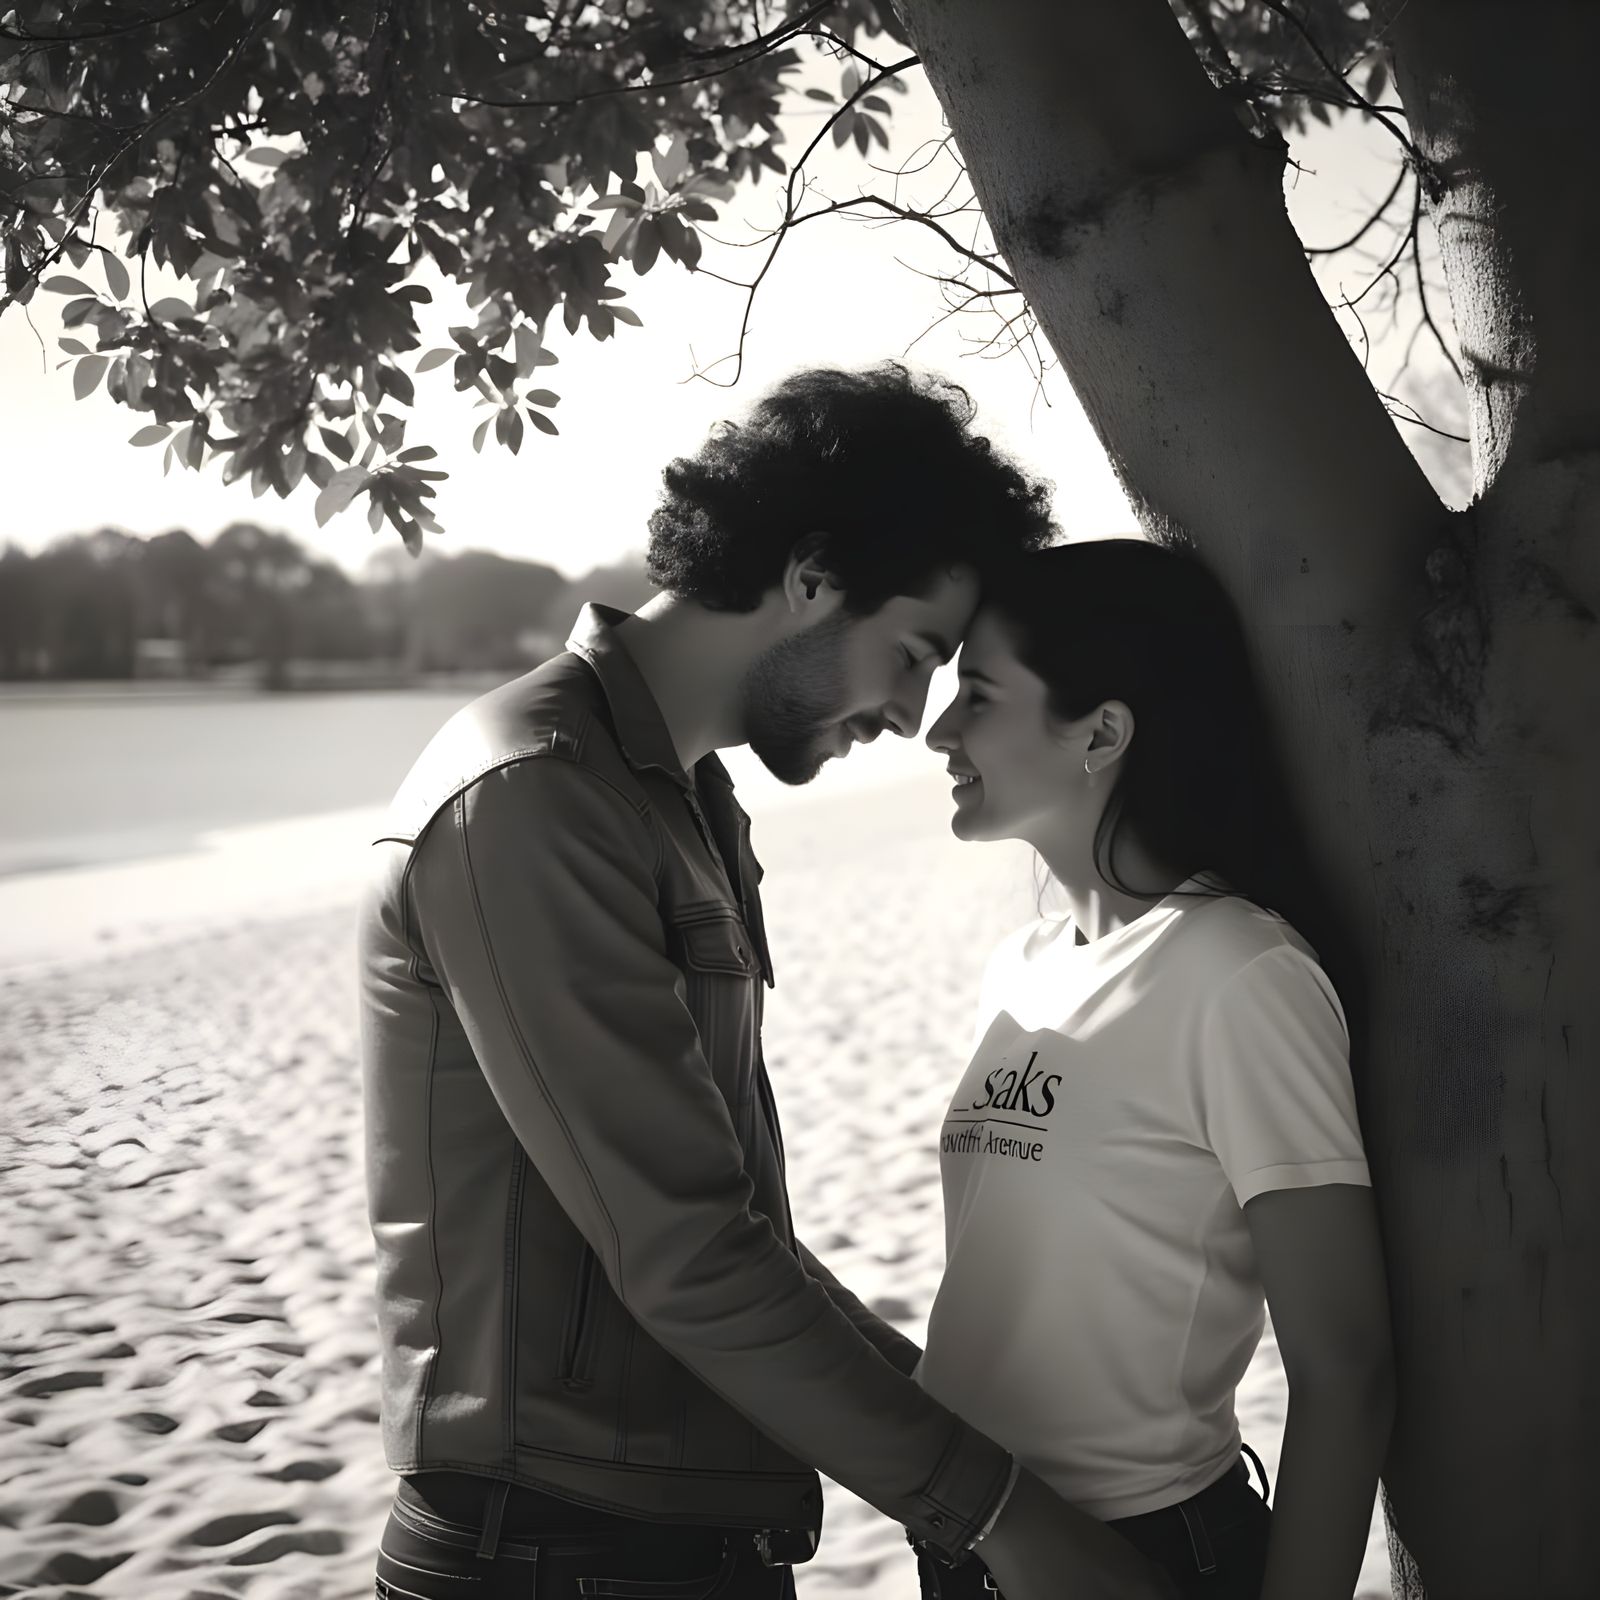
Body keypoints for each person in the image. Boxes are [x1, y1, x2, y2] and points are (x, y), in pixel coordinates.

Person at [358, 366, 1177, 1600]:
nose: (911, 716)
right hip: (547, 1550)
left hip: (684, 1533)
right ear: (809, 577)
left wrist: (969, 1449)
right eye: (912, 655)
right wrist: (999, 1510)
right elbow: (686, 1252)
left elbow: (738, 1230)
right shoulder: (532, 796)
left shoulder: (688, 803)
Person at [916, 537, 1395, 1600]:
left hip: (1141, 1553)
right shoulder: (1023, 967)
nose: (936, 728)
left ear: (1101, 731)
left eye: (977, 695)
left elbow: (1344, 1365)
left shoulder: (1239, 972)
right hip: (972, 1549)